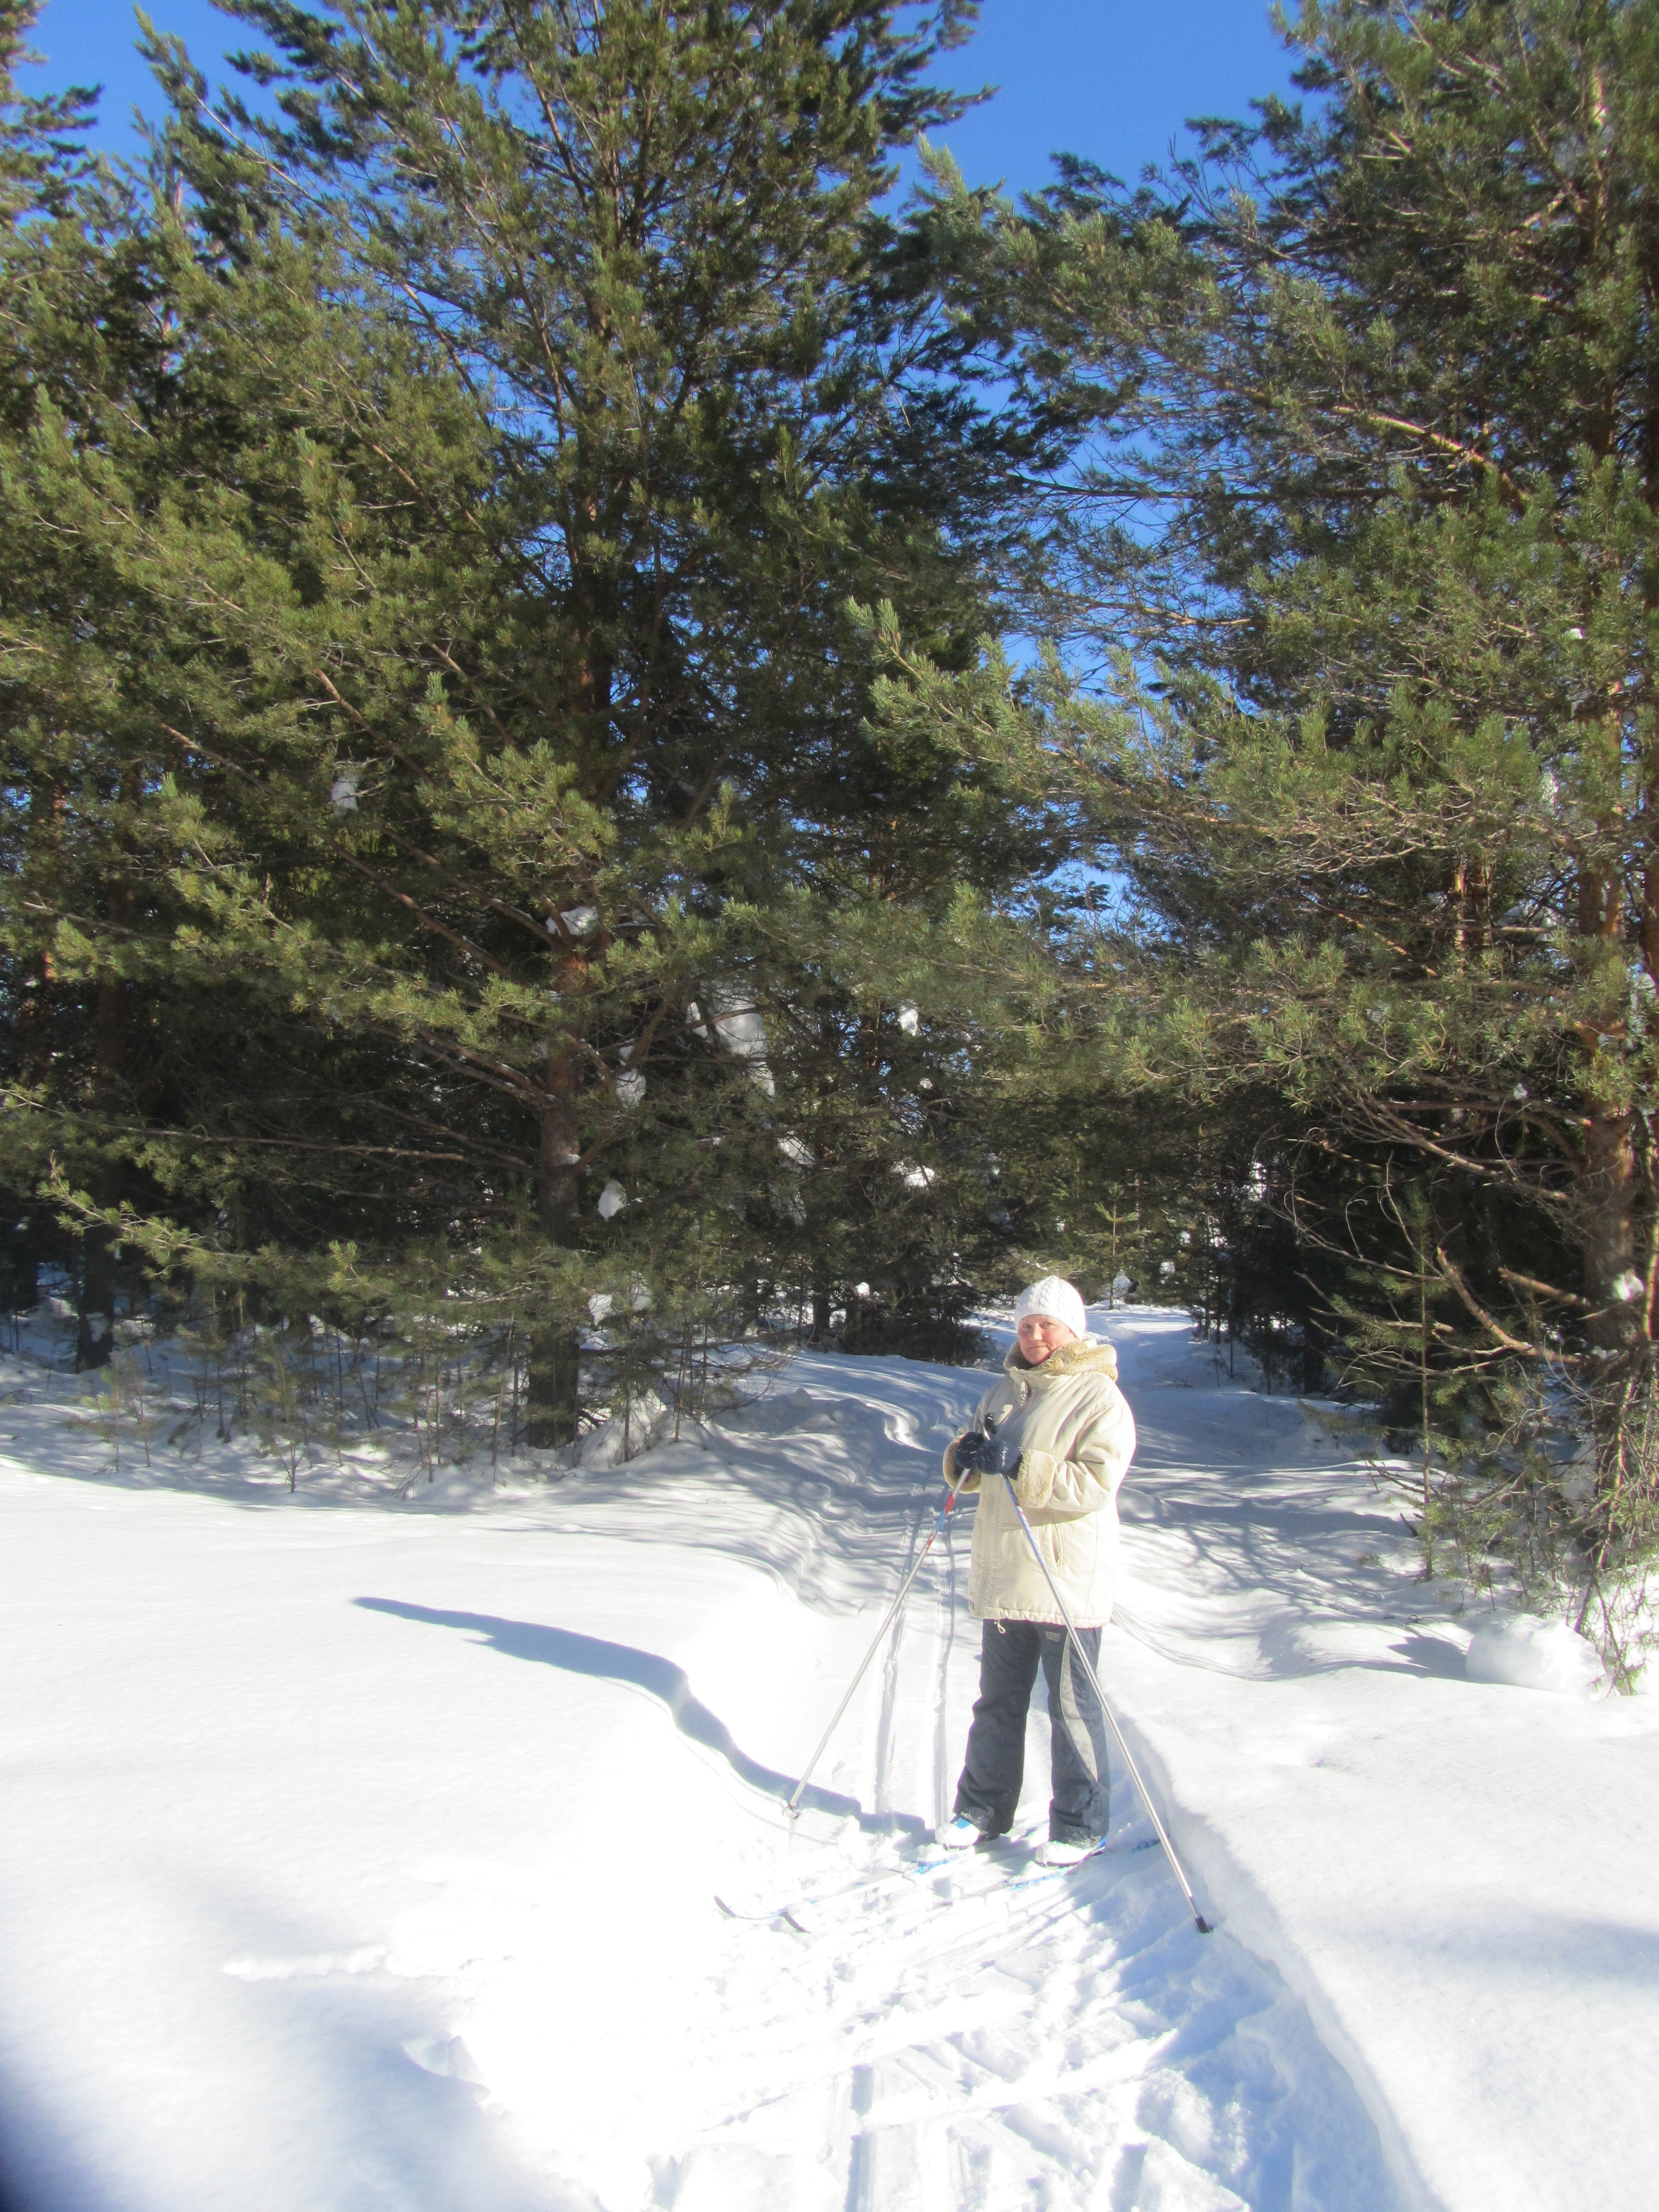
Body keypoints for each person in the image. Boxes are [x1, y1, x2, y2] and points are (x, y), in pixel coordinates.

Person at [935, 1274, 1136, 1868]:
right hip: (1006, 1573)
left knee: (1072, 1707)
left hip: (1064, 1578)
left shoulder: (1099, 1398)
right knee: (997, 1703)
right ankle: (981, 1810)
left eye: (1047, 1326)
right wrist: (965, 1458)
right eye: (1026, 1326)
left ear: (1073, 1331)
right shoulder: (1003, 1393)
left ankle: (1080, 1824)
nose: (1035, 1336)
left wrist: (1021, 1462)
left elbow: (1094, 1485)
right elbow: (978, 1469)